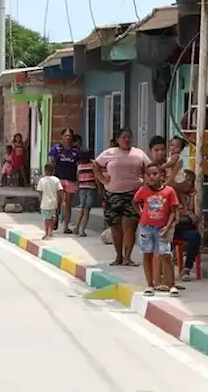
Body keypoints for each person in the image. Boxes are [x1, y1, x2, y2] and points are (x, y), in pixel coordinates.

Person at [95, 127, 153, 266]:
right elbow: (96, 165)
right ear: (117, 139)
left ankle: (128, 257)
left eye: (129, 137)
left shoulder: (139, 154)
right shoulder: (109, 153)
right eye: (124, 137)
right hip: (113, 194)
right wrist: (102, 180)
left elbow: (149, 168)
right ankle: (118, 256)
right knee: (115, 226)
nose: (126, 140)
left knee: (130, 226)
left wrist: (146, 184)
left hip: (133, 195)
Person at [134, 166, 181, 296]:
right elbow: (135, 202)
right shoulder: (143, 190)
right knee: (147, 254)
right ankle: (150, 285)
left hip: (162, 229)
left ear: (162, 175)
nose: (151, 177)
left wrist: (168, 226)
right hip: (145, 228)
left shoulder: (169, 191)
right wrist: (141, 213)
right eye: (148, 175)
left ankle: (171, 285)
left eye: (155, 174)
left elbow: (173, 210)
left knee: (166, 255)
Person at [172, 169, 202, 282]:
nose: (189, 183)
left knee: (195, 237)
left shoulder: (191, 195)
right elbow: (177, 210)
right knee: (165, 239)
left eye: (191, 181)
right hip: (173, 227)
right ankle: (165, 266)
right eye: (187, 180)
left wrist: (192, 198)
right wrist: (188, 212)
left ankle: (187, 268)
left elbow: (195, 215)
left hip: (185, 227)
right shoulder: (173, 192)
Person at [48, 128, 81, 234]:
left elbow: (79, 165)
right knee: (57, 202)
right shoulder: (57, 149)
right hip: (58, 179)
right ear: (62, 137)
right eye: (65, 135)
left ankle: (66, 226)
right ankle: (55, 220)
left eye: (69, 136)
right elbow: (51, 161)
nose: (67, 137)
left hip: (71, 179)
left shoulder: (76, 151)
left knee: (68, 204)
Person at [74, 148, 98, 237]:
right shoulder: (92, 164)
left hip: (82, 188)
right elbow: (96, 177)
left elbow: (77, 177)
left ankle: (76, 227)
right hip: (91, 189)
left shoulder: (79, 166)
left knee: (82, 209)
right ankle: (82, 231)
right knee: (87, 210)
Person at [36, 163, 63, 239]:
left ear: (45, 171)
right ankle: (51, 231)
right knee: (52, 217)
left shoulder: (42, 180)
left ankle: (47, 232)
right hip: (54, 202)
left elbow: (40, 191)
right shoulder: (56, 180)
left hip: (45, 202)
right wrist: (62, 200)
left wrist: (41, 199)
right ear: (53, 171)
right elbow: (60, 191)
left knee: (46, 218)